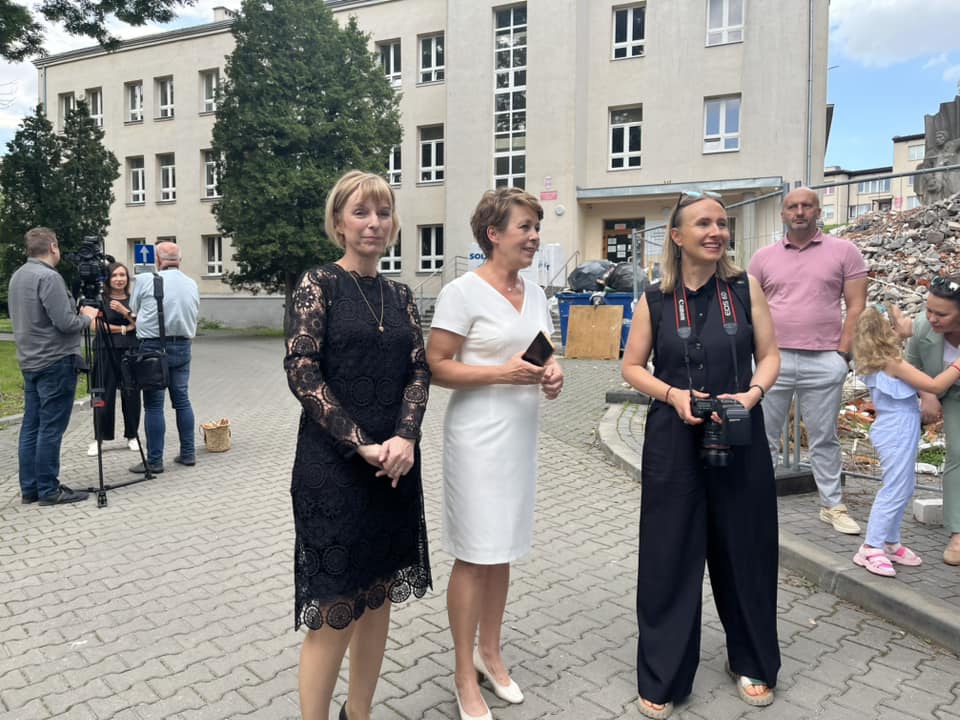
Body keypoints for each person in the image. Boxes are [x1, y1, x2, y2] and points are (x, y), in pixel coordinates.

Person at [621, 191, 781, 718]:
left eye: (722, 223)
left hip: (738, 430)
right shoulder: (654, 299)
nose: (716, 232)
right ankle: (664, 673)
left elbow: (770, 355)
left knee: (746, 548)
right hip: (673, 436)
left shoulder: (745, 287)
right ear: (677, 236)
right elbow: (632, 367)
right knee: (669, 553)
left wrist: (751, 395)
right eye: (703, 223)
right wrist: (672, 395)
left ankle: (751, 659)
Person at [284, 170, 431, 720]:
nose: (374, 223)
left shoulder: (400, 295)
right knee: (336, 607)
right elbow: (302, 369)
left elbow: (419, 370)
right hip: (334, 466)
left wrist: (406, 436)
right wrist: (363, 443)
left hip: (394, 465)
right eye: (361, 213)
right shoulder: (318, 283)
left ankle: (360, 713)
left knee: (379, 595)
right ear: (339, 223)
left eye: (383, 213)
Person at [426, 187, 563, 720]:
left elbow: (543, 352)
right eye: (525, 227)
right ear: (493, 234)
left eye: (536, 227)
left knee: (501, 549)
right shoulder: (462, 292)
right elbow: (437, 366)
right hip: (476, 439)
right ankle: (464, 672)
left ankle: (491, 652)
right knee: (474, 553)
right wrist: (500, 373)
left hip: (519, 436)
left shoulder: (537, 293)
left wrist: (552, 374)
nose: (534, 237)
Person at [748, 187, 869, 535]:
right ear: (783, 214)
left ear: (818, 211)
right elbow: (750, 308)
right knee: (763, 437)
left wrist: (842, 355)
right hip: (773, 360)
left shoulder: (844, 251)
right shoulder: (763, 258)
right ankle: (757, 505)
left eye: (806, 206)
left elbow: (856, 306)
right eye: (792, 207)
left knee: (824, 437)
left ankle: (832, 506)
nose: (799, 212)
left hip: (824, 360)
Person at [850, 303, 960, 576]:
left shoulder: (884, 358)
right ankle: (871, 546)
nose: (910, 319)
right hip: (897, 428)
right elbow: (933, 385)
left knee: (905, 486)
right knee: (895, 488)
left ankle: (890, 541)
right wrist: (957, 365)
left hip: (899, 426)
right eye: (900, 316)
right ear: (888, 328)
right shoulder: (893, 363)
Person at [9, 227, 99, 505]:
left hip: (30, 360)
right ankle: (49, 489)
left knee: (31, 426)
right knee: (50, 427)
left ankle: (31, 488)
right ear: (53, 247)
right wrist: (87, 316)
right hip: (55, 360)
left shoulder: (18, 276)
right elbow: (66, 323)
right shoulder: (49, 277)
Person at [128, 241, 199, 474]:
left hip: (153, 347)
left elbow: (134, 309)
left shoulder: (146, 280)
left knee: (154, 405)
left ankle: (155, 461)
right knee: (182, 401)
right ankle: (188, 453)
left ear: (157, 260)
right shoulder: (191, 283)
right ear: (180, 260)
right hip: (183, 346)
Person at [905, 276, 960, 565]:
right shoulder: (922, 327)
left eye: (941, 314)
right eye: (929, 310)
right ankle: (958, 532)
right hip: (951, 395)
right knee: (958, 454)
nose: (932, 318)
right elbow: (910, 367)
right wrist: (927, 394)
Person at [87, 262, 141, 456]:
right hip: (104, 350)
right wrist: (124, 328)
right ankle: (99, 438)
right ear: (108, 279)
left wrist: (124, 311)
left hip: (130, 350)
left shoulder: (134, 299)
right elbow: (95, 325)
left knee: (131, 394)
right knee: (103, 394)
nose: (119, 279)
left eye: (122, 275)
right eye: (115, 275)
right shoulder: (100, 299)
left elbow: (141, 323)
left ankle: (132, 435)